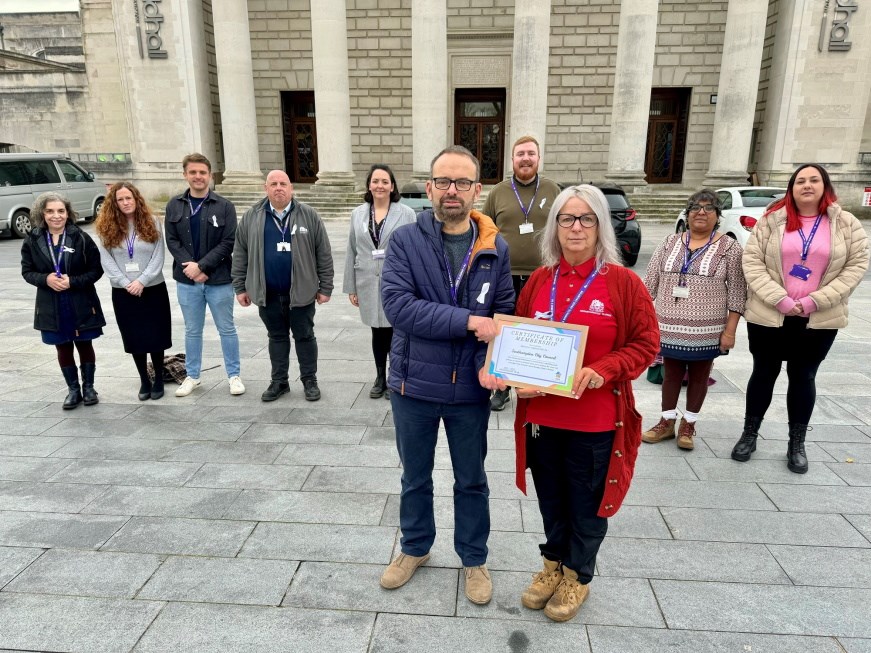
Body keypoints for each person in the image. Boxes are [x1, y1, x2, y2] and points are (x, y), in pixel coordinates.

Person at [511, 185, 658, 622]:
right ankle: (552, 564)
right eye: (566, 219)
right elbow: (518, 338)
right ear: (554, 227)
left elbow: (647, 344)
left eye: (586, 218)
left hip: (594, 421)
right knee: (551, 501)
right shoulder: (539, 280)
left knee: (586, 505)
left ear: (601, 226)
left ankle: (578, 575)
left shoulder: (623, 283)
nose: (576, 228)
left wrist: (606, 368)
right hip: (542, 417)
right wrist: (512, 378)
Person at [379, 145, 514, 606]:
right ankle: (414, 548)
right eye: (442, 182)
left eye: (461, 183)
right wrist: (468, 322)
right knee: (414, 476)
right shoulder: (405, 241)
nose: (451, 191)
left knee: (471, 478)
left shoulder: (496, 247)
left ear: (478, 190)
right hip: (413, 385)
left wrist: (490, 366)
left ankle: (473, 557)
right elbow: (399, 307)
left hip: (470, 391)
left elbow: (505, 312)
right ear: (429, 188)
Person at [732, 163, 868, 473]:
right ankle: (749, 434)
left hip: (818, 319)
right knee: (763, 373)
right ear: (792, 188)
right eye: (800, 180)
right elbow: (751, 261)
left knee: (803, 376)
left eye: (814, 180)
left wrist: (813, 301)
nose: (807, 185)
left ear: (825, 186)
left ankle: (797, 442)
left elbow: (855, 268)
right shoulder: (771, 221)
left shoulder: (846, 224)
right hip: (769, 314)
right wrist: (778, 298)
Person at [642, 190, 746, 449]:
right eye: (695, 208)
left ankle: (688, 426)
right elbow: (648, 285)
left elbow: (737, 293)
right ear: (687, 215)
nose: (701, 212)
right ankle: (666, 423)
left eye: (709, 208)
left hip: (707, 328)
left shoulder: (730, 248)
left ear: (718, 216)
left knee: (700, 376)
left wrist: (730, 331)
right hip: (667, 325)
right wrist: (641, 321)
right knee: (670, 374)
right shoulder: (669, 242)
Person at [231, 170, 334, 402]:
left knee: (305, 336)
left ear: (291, 188)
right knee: (276, 337)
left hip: (302, 293)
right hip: (268, 293)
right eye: (273, 184)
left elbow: (323, 253)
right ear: (265, 188)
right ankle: (280, 382)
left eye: (283, 184)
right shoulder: (252, 216)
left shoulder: (309, 215)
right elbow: (240, 254)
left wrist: (325, 287)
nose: (279, 188)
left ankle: (310, 380)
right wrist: (240, 287)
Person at [482, 135, 562, 412]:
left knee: (539, 330)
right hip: (505, 273)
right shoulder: (498, 192)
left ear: (538, 158)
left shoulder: (553, 190)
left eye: (530, 153)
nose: (525, 158)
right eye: (520, 154)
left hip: (545, 274)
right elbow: (485, 231)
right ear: (512, 159)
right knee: (505, 330)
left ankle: (535, 383)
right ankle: (502, 388)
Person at [165, 153, 244, 397]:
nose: (198, 177)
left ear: (210, 175)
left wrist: (202, 267)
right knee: (192, 330)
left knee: (226, 329)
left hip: (218, 279)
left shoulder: (224, 206)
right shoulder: (174, 205)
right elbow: (172, 240)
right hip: (187, 280)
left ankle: (234, 376)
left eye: (202, 172)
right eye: (193, 172)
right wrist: (191, 267)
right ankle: (192, 376)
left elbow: (228, 241)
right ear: (185, 174)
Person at [21, 192, 106, 410]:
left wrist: (73, 281)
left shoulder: (81, 238)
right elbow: (27, 272)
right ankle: (73, 390)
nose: (56, 216)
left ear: (68, 213)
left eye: (61, 211)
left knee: (84, 343)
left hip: (80, 301)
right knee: (62, 346)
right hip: (51, 303)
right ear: (42, 214)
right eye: (50, 211)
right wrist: (46, 279)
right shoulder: (33, 239)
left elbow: (96, 270)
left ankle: (89, 388)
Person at [343, 164, 416, 399]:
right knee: (377, 331)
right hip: (367, 281)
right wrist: (351, 287)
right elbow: (351, 250)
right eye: (375, 181)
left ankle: (396, 376)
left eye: (385, 181)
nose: (380, 186)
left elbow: (415, 251)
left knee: (396, 331)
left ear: (392, 186)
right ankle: (379, 376)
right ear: (369, 185)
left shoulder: (406, 213)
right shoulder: (358, 213)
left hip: (397, 281)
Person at [95, 182, 173, 400]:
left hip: (152, 288)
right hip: (123, 291)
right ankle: (144, 380)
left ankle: (158, 378)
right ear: (114, 203)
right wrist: (124, 281)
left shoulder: (152, 222)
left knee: (156, 335)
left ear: (136, 199)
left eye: (128, 198)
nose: (125, 202)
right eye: (120, 199)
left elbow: (159, 255)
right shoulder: (105, 227)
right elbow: (106, 259)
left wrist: (142, 280)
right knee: (134, 336)